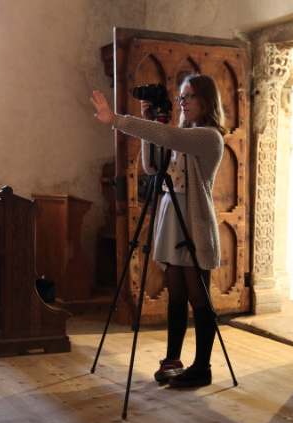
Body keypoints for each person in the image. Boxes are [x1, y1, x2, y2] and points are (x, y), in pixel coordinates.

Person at [91, 74, 226, 388]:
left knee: (198, 296)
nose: (182, 102)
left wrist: (118, 120)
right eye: (180, 97)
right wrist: (151, 122)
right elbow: (152, 166)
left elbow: (167, 137)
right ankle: (173, 359)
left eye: (189, 96)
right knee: (176, 293)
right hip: (170, 213)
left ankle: (202, 368)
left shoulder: (209, 137)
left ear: (206, 99)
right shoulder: (180, 134)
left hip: (192, 218)